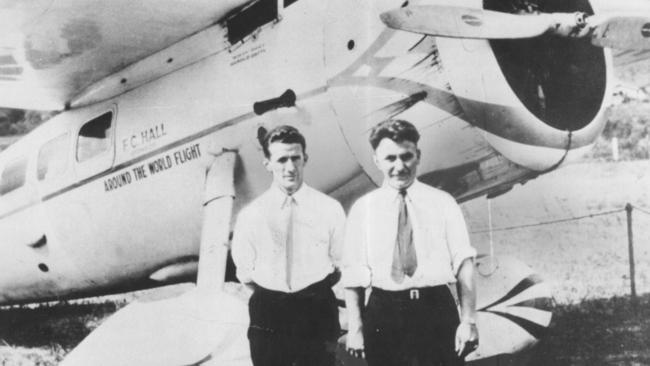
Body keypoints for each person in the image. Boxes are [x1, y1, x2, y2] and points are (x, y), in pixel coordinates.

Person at [342, 119, 479, 366]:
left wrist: (468, 321)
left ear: (418, 155)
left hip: (436, 309)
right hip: (384, 313)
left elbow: (464, 264)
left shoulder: (443, 202)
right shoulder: (364, 209)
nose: (399, 166)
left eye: (406, 156)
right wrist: (356, 327)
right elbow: (353, 276)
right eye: (390, 158)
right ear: (376, 160)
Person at [231, 125, 345, 366]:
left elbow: (339, 262)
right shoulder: (251, 215)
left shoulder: (329, 208)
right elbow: (245, 273)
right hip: (270, 313)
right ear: (267, 163)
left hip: (317, 309)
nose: (290, 167)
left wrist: (311, 290)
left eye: (296, 158)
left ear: (305, 158)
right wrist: (276, 294)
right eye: (282, 159)